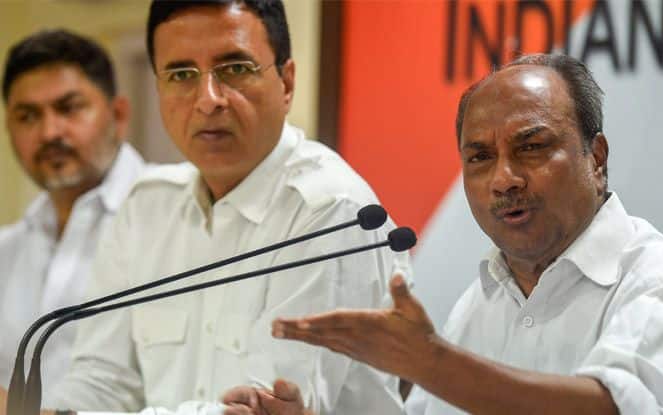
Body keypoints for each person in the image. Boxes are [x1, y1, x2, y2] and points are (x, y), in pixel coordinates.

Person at [260, 54, 663, 415]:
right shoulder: (479, 301)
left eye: (532, 147)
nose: (504, 179)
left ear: (596, 158)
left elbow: (616, 407)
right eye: (481, 158)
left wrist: (433, 362)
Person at [45, 1, 410, 415]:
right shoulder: (146, 206)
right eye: (181, 75)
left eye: (235, 68)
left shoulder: (329, 209)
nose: (208, 100)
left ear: (287, 83)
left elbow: (265, 408)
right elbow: (103, 379)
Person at [0, 29, 145, 406]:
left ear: (118, 115)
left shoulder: (177, 218)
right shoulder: (6, 250)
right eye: (27, 116)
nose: (49, 132)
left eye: (69, 108)